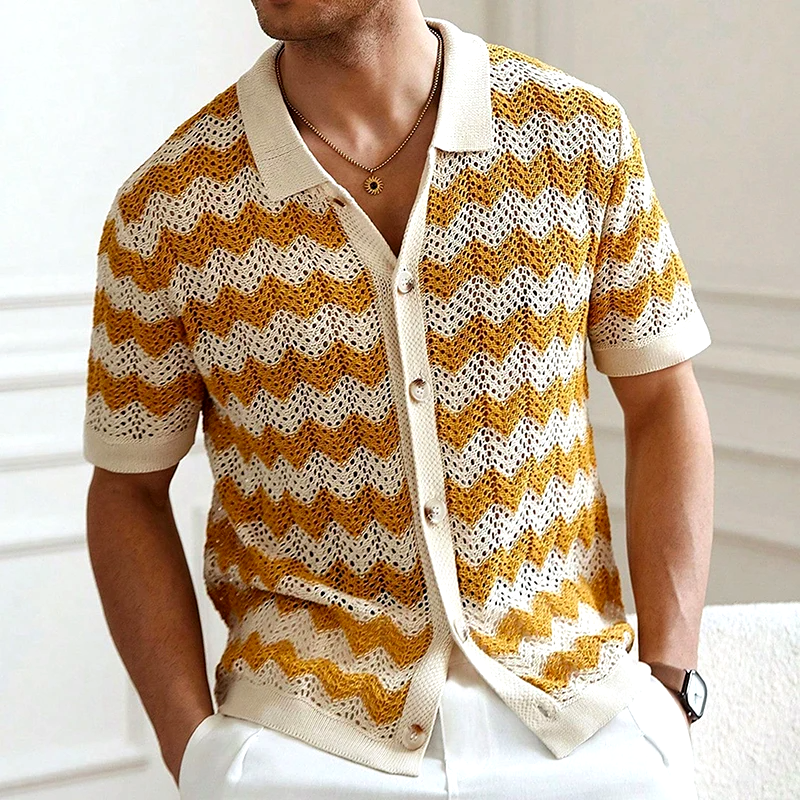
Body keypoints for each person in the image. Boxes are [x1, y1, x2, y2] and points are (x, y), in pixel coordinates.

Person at [83, 1, 714, 798]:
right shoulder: (167, 208)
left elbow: (663, 401)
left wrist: (671, 685)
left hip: (585, 727)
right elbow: (127, 490)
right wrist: (194, 749)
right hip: (300, 745)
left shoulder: (578, 136)